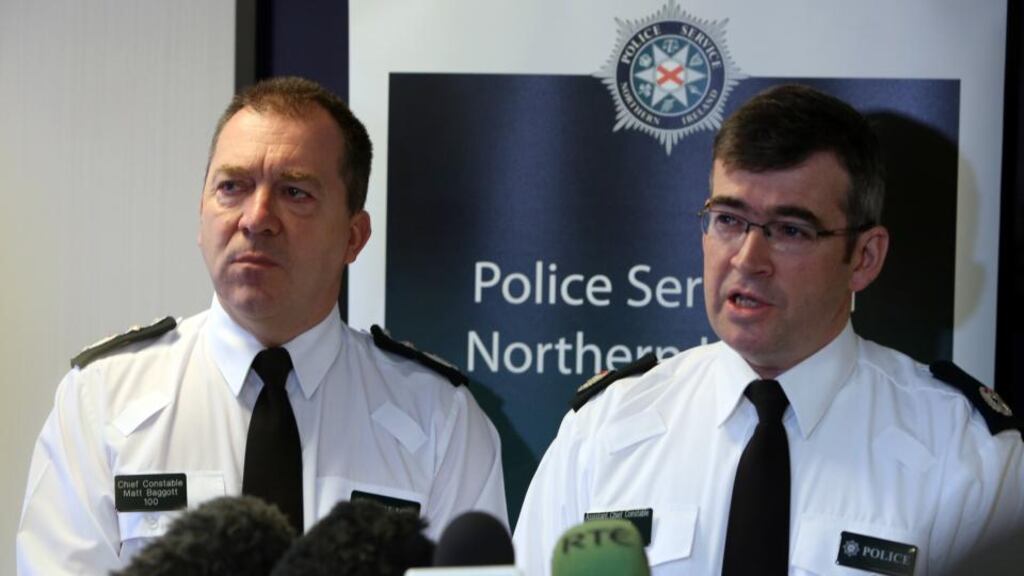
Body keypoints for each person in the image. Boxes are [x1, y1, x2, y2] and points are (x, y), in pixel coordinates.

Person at [513, 84, 1023, 575]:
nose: (747, 258)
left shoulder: (964, 453)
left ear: (865, 257)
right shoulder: (603, 432)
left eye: (790, 230)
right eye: (728, 219)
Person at [17, 77, 507, 575]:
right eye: (232, 187)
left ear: (354, 237)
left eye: (295, 192)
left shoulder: (438, 420)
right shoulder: (103, 400)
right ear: (201, 216)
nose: (256, 218)